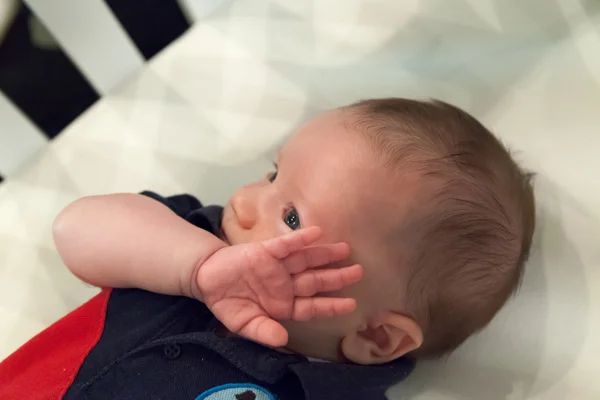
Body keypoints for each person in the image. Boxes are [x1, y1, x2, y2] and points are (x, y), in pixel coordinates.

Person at [0, 98, 535, 400]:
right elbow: (76, 229)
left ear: (375, 335)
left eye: (292, 216)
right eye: (274, 174)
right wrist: (197, 268)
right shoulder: (191, 236)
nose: (245, 200)